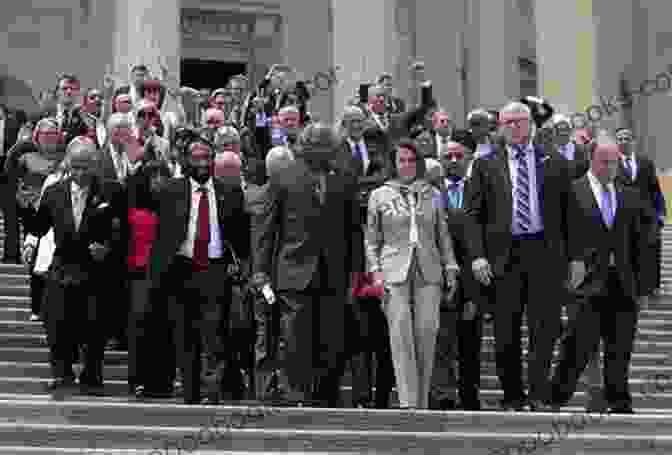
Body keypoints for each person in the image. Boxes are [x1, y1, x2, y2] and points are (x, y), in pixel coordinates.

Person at [466, 101, 571, 411]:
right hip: (504, 256)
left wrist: (575, 258)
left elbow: (569, 214)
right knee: (505, 330)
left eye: (519, 121)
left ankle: (538, 394)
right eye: (508, 122)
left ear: (530, 125)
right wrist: (477, 256)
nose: (514, 127)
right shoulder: (486, 164)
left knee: (545, 328)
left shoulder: (553, 162)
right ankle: (512, 395)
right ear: (500, 126)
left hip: (545, 253)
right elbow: (473, 214)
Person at [251, 123, 362, 407]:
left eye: (332, 148)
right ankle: (296, 396)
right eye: (325, 148)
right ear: (308, 147)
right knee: (295, 338)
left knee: (331, 339)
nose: (330, 153)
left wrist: (355, 273)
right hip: (294, 271)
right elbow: (267, 228)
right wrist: (260, 271)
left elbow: (353, 232)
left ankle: (327, 397)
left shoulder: (344, 180)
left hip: (333, 274)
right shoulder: (283, 177)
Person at [547, 132, 653, 414]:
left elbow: (643, 243)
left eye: (614, 162)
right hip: (585, 285)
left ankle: (619, 402)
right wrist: (566, 274)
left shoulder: (629, 195)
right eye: (604, 162)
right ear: (591, 160)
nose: (610, 168)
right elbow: (559, 237)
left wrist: (644, 287)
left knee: (620, 350)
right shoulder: (572, 191)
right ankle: (555, 399)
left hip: (623, 285)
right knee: (576, 347)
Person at [147, 135, 249, 404]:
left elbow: (241, 235)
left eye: (207, 157)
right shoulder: (170, 190)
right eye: (196, 157)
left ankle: (212, 391)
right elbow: (161, 236)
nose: (202, 163)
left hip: (215, 271)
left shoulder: (230, 192)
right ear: (186, 160)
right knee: (185, 333)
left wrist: (240, 264)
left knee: (214, 334)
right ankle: (191, 393)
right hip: (182, 269)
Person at [23, 137, 125, 395]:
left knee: (94, 325)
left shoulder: (111, 191)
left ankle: (92, 376)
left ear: (95, 165)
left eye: (85, 167)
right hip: (63, 265)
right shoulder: (54, 191)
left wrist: (109, 248)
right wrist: (25, 208)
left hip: (96, 269)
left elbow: (124, 231)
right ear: (68, 164)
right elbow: (39, 227)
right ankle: (62, 374)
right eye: (75, 166)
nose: (80, 173)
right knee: (56, 322)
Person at [365, 139, 458, 409]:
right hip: (393, 269)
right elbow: (371, 240)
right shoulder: (379, 195)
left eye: (411, 160)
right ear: (393, 164)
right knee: (400, 331)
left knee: (427, 330)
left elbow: (443, 235)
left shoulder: (432, 193)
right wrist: (375, 272)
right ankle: (408, 401)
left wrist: (450, 266)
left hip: (429, 268)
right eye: (401, 160)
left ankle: (422, 400)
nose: (406, 165)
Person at [431, 130, 482, 411]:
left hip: (473, 281)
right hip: (438, 280)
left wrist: (476, 291)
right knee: (442, 341)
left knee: (470, 343)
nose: (453, 161)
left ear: (468, 159)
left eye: (458, 156)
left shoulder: (479, 189)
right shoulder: (431, 192)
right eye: (447, 156)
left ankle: (470, 397)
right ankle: (443, 395)